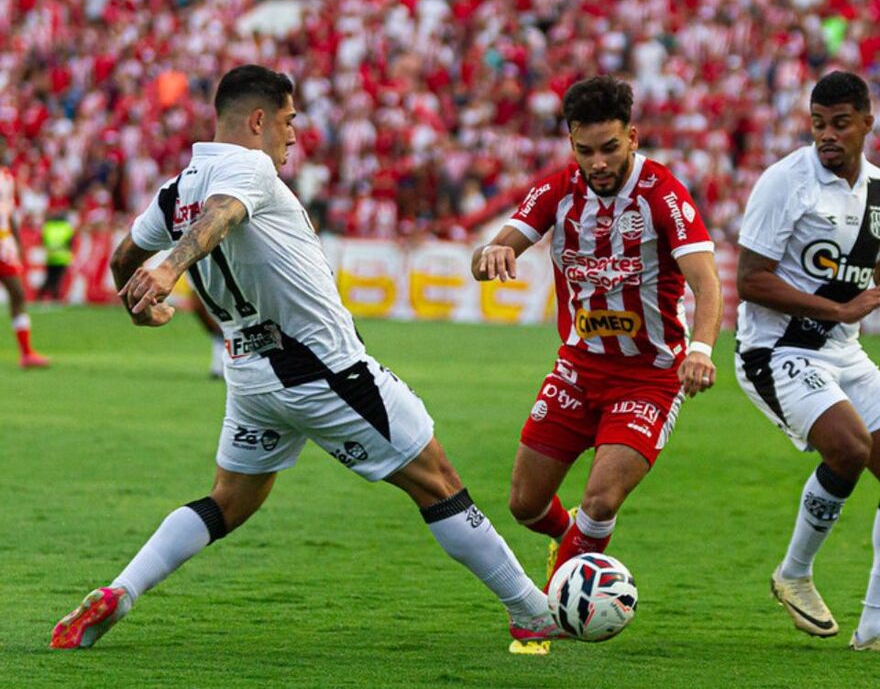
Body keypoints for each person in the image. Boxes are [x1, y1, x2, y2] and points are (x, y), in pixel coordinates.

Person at [50, 65, 562, 650]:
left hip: (251, 375)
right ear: (259, 120)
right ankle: (531, 610)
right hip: (322, 369)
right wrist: (169, 268)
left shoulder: (175, 189)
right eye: (290, 121)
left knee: (228, 502)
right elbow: (224, 215)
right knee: (439, 482)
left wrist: (136, 301)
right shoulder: (249, 167)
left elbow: (122, 256)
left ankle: (121, 592)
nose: (294, 135)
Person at [471, 75, 722, 648]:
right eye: (585, 150)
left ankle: (555, 605)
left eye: (610, 148)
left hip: (650, 377)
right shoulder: (558, 191)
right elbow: (495, 249)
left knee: (601, 498)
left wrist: (701, 352)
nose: (599, 162)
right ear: (571, 143)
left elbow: (709, 286)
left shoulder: (664, 194)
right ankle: (572, 544)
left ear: (632, 137)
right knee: (524, 504)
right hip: (578, 371)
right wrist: (490, 253)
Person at [734, 71, 880, 657]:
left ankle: (874, 629)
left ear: (867, 123)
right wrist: (839, 306)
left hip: (842, 350)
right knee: (849, 446)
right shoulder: (785, 183)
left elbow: (873, 286)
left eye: (840, 123)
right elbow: (751, 280)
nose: (827, 135)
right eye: (819, 123)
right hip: (776, 350)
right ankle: (794, 572)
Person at [0, 167, 49, 368]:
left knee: (18, 293)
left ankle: (27, 353)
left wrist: (17, 242)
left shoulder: (6, 176)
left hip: (4, 244)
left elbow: (9, 211)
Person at [38, 203, 75, 302]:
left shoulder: (47, 227)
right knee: (59, 279)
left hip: (51, 256)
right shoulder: (66, 227)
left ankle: (41, 295)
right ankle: (55, 296)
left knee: (49, 277)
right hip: (63, 257)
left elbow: (43, 240)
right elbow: (71, 242)